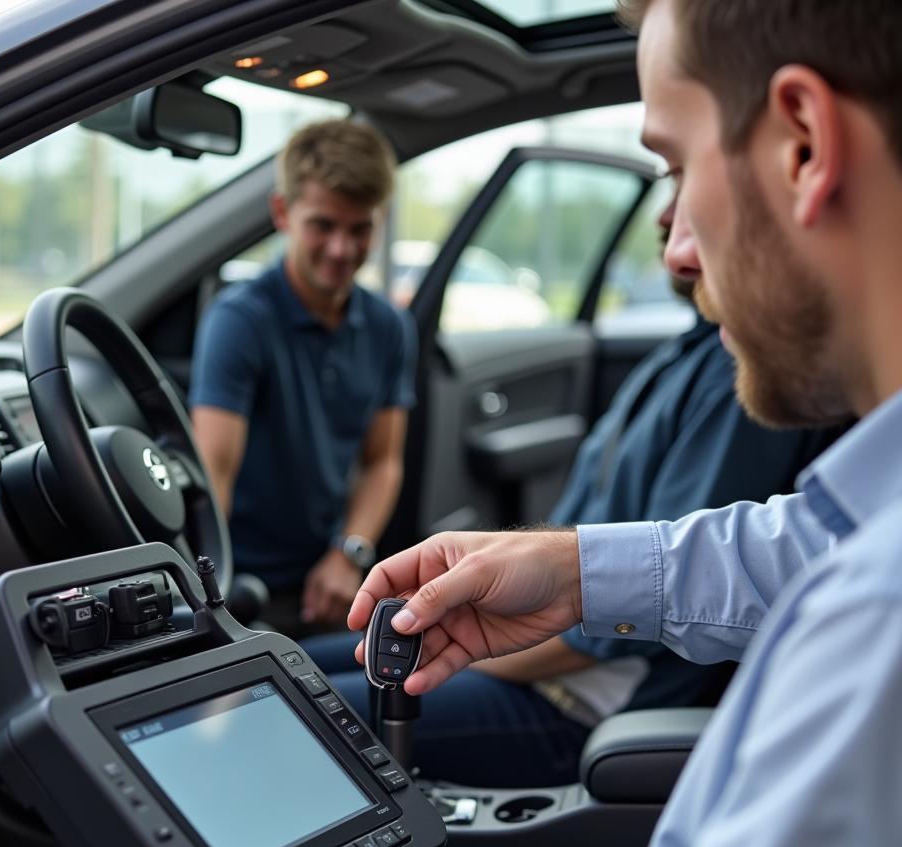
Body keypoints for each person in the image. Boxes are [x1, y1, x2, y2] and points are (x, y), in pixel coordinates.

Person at [0, 0, 902, 847]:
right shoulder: (869, 536)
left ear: (803, 144)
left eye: (678, 164)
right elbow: (801, 538)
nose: (677, 248)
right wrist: (572, 571)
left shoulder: (871, 624)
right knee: (303, 674)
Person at [304, 233, 835, 789]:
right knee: (297, 667)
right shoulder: (689, 351)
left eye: (685, 179)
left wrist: (477, 647)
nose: (672, 236)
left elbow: (611, 639)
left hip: (575, 701)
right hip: (543, 659)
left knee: (305, 713)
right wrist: (562, 574)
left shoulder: (736, 381)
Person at [189, 120, 416, 637]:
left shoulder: (389, 327)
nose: (341, 249)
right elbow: (213, 477)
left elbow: (383, 461)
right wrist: (212, 600)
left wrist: (349, 552)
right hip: (243, 586)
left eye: (359, 229)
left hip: (330, 582)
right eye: (323, 226)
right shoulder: (240, 321)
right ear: (282, 214)